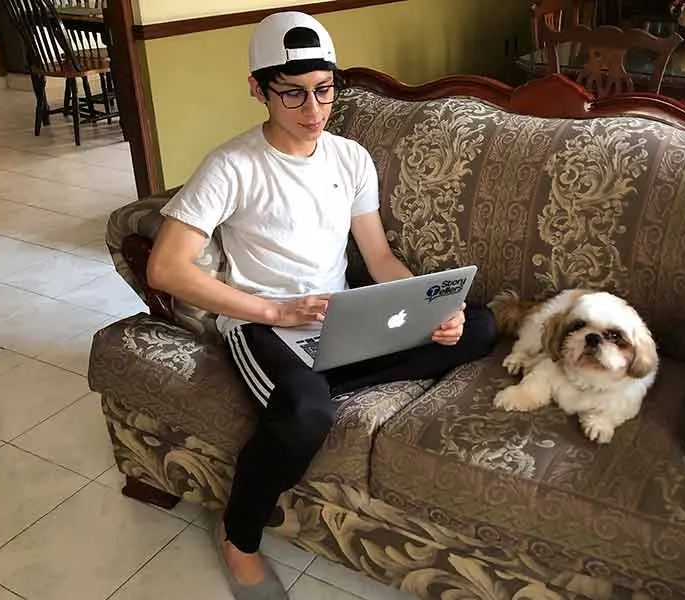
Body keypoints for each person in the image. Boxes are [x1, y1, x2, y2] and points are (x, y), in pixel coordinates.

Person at [146, 11, 498, 600]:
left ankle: (320, 380)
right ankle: (238, 536)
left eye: (324, 91)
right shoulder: (231, 166)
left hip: (339, 321)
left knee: (479, 328)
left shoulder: (350, 158)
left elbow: (379, 258)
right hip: (264, 328)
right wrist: (275, 312)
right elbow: (167, 267)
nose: (313, 111)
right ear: (257, 89)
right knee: (308, 416)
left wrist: (428, 309)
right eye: (292, 95)